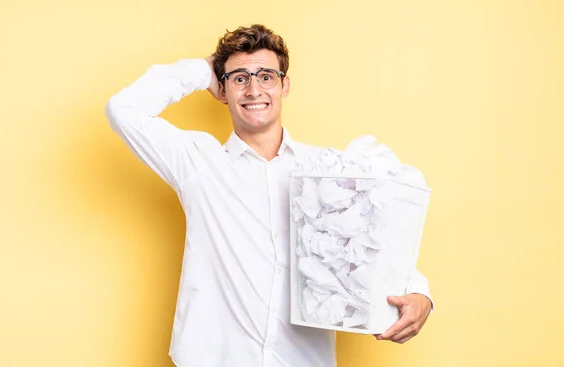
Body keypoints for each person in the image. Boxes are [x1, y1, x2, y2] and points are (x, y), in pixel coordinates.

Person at [105, 24, 433, 367]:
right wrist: (203, 70)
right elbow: (123, 109)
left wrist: (420, 293)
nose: (253, 89)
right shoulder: (198, 162)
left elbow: (376, 236)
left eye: (265, 76)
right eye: (239, 78)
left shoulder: (326, 168)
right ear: (222, 90)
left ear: (284, 85)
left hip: (303, 359)